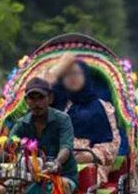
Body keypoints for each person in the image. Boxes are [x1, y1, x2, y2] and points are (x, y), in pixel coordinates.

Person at [43, 54, 121, 186]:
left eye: (76, 73)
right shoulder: (54, 103)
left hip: (88, 165)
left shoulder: (101, 107)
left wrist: (90, 155)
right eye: (67, 74)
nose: (72, 77)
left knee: (77, 179)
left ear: (85, 75)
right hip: (54, 163)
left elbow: (112, 144)